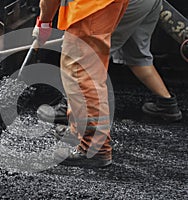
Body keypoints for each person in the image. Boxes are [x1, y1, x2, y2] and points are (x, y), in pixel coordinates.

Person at [37, 0, 182, 127]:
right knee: (136, 55)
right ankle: (167, 104)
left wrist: (43, 25)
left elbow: (48, 2)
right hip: (148, 3)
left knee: (84, 60)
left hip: (115, 4)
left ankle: (71, 109)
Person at [32, 0, 129, 168]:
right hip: (102, 5)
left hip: (89, 7)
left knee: (82, 76)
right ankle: (78, 131)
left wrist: (44, 23)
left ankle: (93, 148)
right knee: (88, 70)